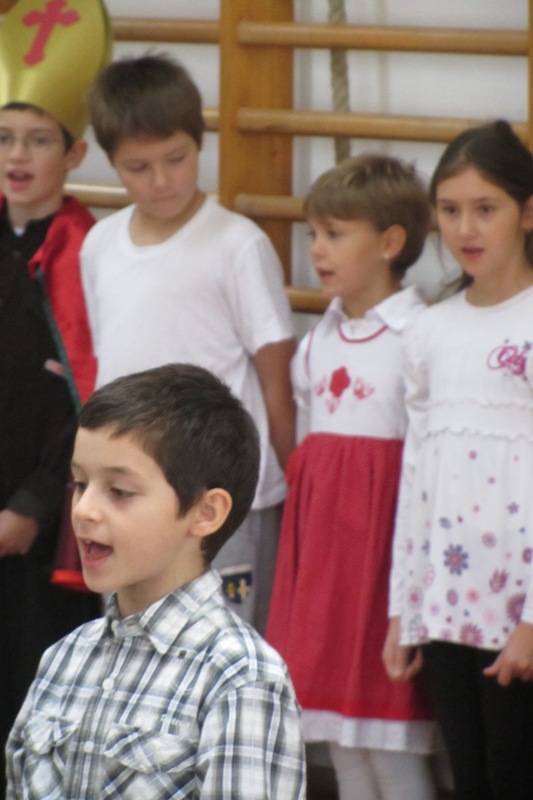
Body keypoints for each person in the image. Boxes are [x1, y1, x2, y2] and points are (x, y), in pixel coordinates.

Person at [6, 363, 306, 800]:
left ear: (206, 513)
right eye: (81, 484)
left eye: (119, 491)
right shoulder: (64, 657)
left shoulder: (240, 677)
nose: (84, 509)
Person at [80, 53, 296, 635]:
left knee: (223, 638)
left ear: (200, 143)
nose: (161, 180)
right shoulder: (99, 246)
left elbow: (276, 382)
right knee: (131, 639)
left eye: (176, 159)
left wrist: (289, 484)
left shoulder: (237, 244)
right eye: (138, 167)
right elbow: (110, 371)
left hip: (222, 495)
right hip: (130, 495)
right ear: (111, 161)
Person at [266, 155, 438, 800]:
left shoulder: (421, 335)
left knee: (387, 744)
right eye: (314, 233)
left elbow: (424, 464)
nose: (317, 249)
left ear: (390, 242)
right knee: (342, 745)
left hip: (385, 566)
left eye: (335, 234)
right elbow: (312, 452)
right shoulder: (319, 339)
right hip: (327, 568)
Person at [383, 120, 533, 800]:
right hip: (446, 608)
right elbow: (418, 478)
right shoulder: (429, 330)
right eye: (449, 210)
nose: (464, 229)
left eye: (485, 208)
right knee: (469, 777)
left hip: (519, 616)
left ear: (526, 212)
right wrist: (403, 610)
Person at [0, 1, 110, 794]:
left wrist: (35, 502)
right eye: (5, 136)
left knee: (35, 698)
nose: (18, 155)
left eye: (38, 139)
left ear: (73, 151)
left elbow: (91, 395)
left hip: (43, 526)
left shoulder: (89, 252)